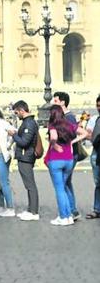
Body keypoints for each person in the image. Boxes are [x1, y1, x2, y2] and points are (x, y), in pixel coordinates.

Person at [45, 105, 87, 226]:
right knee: (63, 187)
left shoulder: (52, 125)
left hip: (56, 159)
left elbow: (53, 137)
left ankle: (64, 216)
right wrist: (72, 141)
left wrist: (55, 145)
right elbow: (84, 133)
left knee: (59, 189)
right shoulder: (69, 125)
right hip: (69, 159)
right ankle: (68, 215)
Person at [52, 91, 81, 220]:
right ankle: (72, 210)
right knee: (66, 183)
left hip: (69, 154)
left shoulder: (68, 117)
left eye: (56, 100)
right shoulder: (65, 116)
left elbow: (77, 134)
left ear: (63, 102)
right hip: (68, 155)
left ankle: (69, 212)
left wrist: (69, 142)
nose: (54, 102)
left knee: (63, 184)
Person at [10, 100, 40, 221]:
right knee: (28, 185)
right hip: (25, 156)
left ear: (22, 110)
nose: (17, 115)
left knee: (30, 185)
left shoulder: (29, 124)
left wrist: (14, 135)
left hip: (26, 156)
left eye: (17, 113)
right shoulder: (29, 122)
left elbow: (24, 141)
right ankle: (30, 209)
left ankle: (33, 211)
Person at [85, 95, 100, 219]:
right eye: (98, 106)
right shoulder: (95, 119)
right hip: (96, 153)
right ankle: (97, 209)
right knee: (98, 182)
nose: (99, 108)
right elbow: (88, 135)